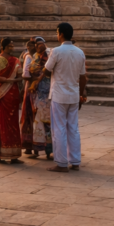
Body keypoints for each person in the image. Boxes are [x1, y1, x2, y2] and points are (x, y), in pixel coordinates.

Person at [45, 23, 87, 172]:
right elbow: (83, 77)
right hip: (73, 95)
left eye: (57, 33)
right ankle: (75, 161)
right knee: (73, 128)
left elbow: (46, 70)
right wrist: (81, 95)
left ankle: (62, 163)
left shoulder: (56, 51)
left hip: (59, 95)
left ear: (61, 34)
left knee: (59, 129)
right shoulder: (79, 52)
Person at [0, 37, 22, 163]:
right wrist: (10, 81)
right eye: (10, 45)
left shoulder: (15, 60)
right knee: (1, 121)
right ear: (4, 47)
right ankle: (1, 153)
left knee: (11, 121)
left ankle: (8, 154)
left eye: (12, 45)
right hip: (3, 93)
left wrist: (8, 80)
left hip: (9, 93)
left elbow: (19, 77)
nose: (12, 48)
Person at [28, 40, 54, 160]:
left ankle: (49, 151)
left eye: (40, 44)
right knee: (37, 121)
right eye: (36, 45)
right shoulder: (34, 56)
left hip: (47, 92)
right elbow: (31, 70)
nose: (38, 46)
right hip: (37, 93)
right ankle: (37, 150)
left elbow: (46, 71)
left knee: (47, 122)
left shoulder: (49, 56)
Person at [19, 39, 37, 153]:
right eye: (28, 45)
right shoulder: (29, 57)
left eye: (31, 45)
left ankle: (34, 146)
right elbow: (25, 75)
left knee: (34, 116)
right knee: (31, 116)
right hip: (31, 88)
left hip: (35, 89)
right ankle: (30, 146)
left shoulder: (38, 57)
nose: (29, 47)